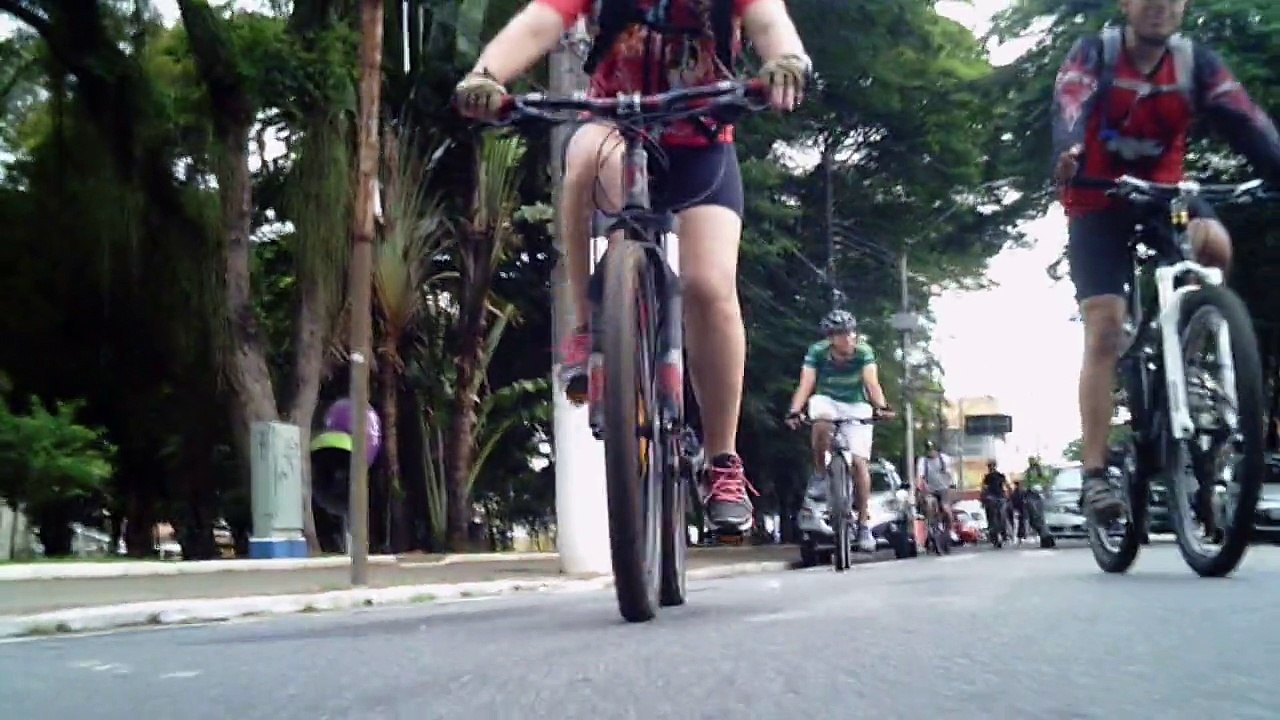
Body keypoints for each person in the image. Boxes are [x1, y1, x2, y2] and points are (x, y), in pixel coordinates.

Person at [453, 0, 811, 533]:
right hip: (617, 129)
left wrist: (784, 61)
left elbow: (768, 21)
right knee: (581, 161)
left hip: (703, 141)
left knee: (709, 285)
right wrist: (486, 75)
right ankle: (589, 325)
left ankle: (722, 461)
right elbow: (538, 23)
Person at [1051, 0, 1280, 525]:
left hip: (1166, 194)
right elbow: (1069, 104)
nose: (1159, 5)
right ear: (1125, 4)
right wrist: (1066, 153)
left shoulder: (1197, 64)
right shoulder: (1096, 53)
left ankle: (1203, 342)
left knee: (1215, 248)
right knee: (1106, 328)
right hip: (1096, 198)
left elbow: (1247, 119)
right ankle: (1095, 473)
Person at [785, 310, 894, 552]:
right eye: (841, 335)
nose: (848, 339)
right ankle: (821, 473)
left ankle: (864, 523)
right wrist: (794, 410)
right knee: (821, 421)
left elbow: (871, 382)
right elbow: (807, 383)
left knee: (859, 463)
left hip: (857, 404)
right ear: (830, 338)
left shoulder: (863, 351)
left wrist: (882, 407)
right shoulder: (817, 352)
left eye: (851, 333)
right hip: (827, 399)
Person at [916, 440, 954, 529]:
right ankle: (930, 526)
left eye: (932, 449)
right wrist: (919, 487)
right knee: (928, 505)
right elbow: (920, 476)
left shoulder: (943, 459)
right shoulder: (923, 461)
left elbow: (950, 472)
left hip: (943, 488)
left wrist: (952, 483)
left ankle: (951, 529)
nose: (931, 452)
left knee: (945, 507)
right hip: (930, 489)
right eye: (928, 450)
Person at [980, 459, 1008, 542]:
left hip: (998, 498)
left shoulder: (999, 475)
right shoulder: (988, 477)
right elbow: (983, 489)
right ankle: (997, 534)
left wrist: (1008, 497)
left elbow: (1006, 485)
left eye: (991, 466)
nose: (990, 467)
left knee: (1000, 517)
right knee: (993, 516)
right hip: (994, 498)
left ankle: (1002, 533)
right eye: (989, 466)